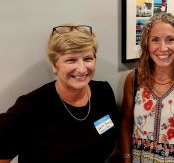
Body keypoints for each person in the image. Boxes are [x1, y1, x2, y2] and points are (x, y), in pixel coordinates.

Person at [0, 24, 118, 163]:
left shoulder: (103, 92)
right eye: (71, 60)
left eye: (87, 59)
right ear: (54, 66)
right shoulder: (30, 107)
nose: (82, 69)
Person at [120, 13, 174, 163]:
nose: (163, 48)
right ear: (146, 45)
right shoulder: (134, 80)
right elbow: (125, 124)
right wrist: (127, 159)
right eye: (155, 40)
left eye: (170, 40)